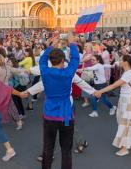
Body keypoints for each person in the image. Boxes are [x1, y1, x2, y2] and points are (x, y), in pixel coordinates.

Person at [93, 55, 131, 156]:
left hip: (129, 102)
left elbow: (114, 85)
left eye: (121, 60)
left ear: (125, 62)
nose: (119, 61)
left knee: (126, 124)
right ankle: (127, 144)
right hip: (128, 101)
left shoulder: (128, 73)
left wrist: (100, 91)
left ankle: (125, 148)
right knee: (126, 123)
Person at [39, 35, 80, 169]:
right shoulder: (68, 72)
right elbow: (75, 59)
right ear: (63, 60)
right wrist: (72, 43)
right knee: (66, 150)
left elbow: (42, 59)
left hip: (49, 114)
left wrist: (51, 45)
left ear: (51, 60)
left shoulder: (45, 71)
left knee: (48, 148)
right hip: (65, 115)